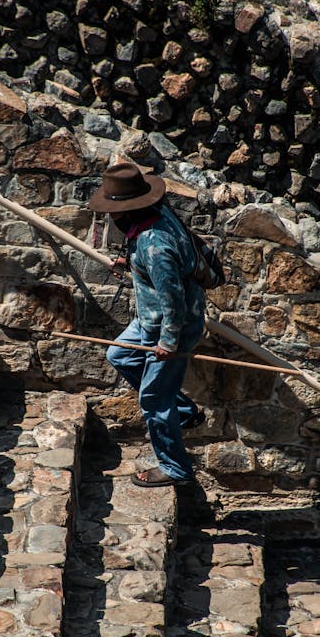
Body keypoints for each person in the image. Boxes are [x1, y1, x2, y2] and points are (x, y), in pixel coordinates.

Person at [88, 161, 206, 487]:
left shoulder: (154, 246)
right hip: (149, 320)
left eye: (113, 211)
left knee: (153, 400)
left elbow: (174, 301)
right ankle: (182, 412)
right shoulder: (154, 220)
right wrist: (131, 263)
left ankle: (175, 468)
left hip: (170, 327)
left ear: (127, 211)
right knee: (120, 356)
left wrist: (168, 343)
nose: (110, 217)